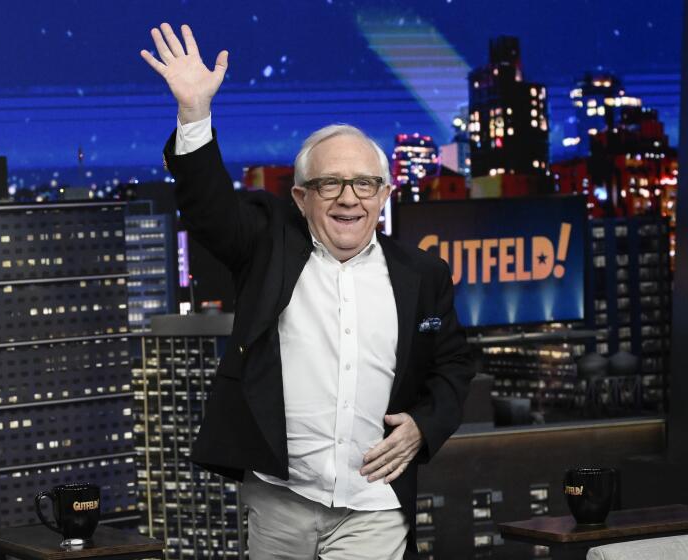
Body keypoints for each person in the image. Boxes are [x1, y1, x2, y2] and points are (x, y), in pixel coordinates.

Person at [141, 22, 474, 560]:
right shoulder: (266, 241)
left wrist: (423, 426)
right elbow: (209, 212)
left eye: (364, 184)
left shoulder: (423, 275)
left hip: (375, 505)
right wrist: (194, 112)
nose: (348, 199)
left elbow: (454, 365)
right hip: (280, 496)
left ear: (384, 193)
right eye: (329, 184)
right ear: (301, 196)